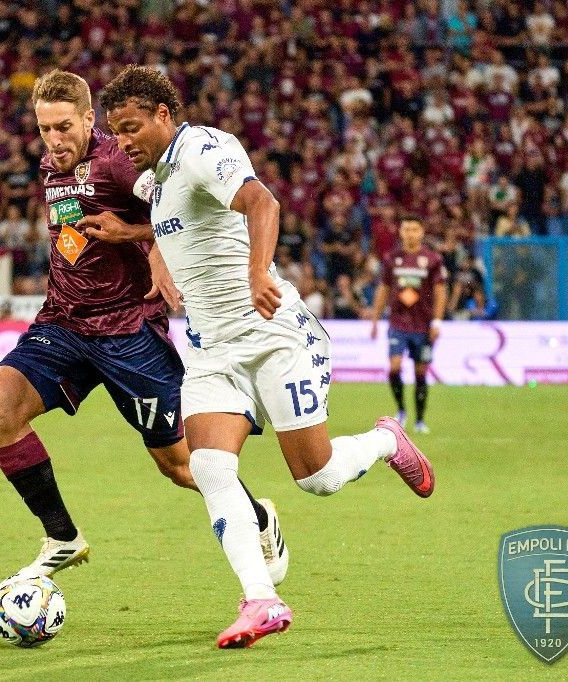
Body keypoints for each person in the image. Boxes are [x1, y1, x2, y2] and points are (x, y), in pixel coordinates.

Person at [99, 66, 434, 649]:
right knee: (209, 467)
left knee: (317, 477)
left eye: (132, 127)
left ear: (163, 116)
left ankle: (386, 440)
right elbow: (180, 227)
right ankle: (261, 598)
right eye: (116, 131)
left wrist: (258, 272)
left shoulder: (202, 150)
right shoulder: (154, 181)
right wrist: (140, 242)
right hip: (211, 349)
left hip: (271, 333)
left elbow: (262, 202)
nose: (124, 141)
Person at [0, 70, 286, 583]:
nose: (54, 139)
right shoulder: (51, 166)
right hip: (64, 322)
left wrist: (146, 242)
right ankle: (62, 536)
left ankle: (258, 517)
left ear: (88, 119)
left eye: (63, 127)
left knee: (181, 465)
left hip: (128, 333)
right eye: (44, 129)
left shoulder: (118, 161)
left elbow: (179, 207)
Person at [370, 217, 448, 434]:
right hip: (398, 323)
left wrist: (437, 321)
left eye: (414, 229)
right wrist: (375, 319)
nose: (410, 233)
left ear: (422, 232)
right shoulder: (391, 258)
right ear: (401, 232)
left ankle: (420, 420)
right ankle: (402, 410)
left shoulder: (432, 259)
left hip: (423, 325)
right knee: (394, 367)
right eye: (406, 229)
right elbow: (383, 289)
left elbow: (440, 292)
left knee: (420, 371)